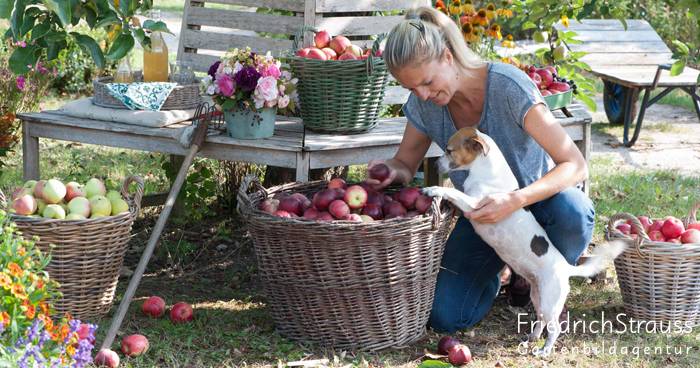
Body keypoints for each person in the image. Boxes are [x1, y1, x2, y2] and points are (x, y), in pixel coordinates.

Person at [365, 6, 595, 333]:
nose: (423, 95)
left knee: (575, 210)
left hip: (540, 209)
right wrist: (387, 171)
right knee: (447, 317)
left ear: (447, 56)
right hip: (484, 218)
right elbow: (404, 163)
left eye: (427, 83)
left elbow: (574, 164)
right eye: (413, 89)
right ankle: (503, 270)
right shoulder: (424, 104)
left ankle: (542, 277)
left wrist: (515, 200)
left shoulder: (508, 86)